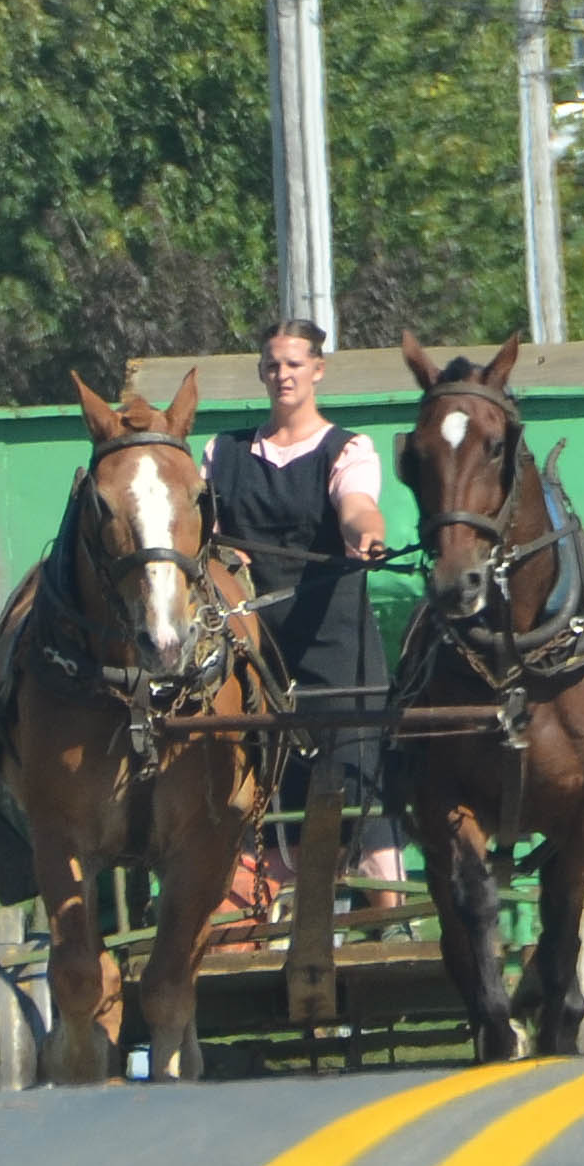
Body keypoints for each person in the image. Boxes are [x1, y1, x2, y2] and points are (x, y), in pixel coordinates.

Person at [203, 316, 407, 896]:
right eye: (272, 363)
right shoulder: (222, 453)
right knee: (249, 801)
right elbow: (200, 534)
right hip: (249, 660)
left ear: (317, 370)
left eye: (294, 363)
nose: (282, 374)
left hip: (337, 662)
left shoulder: (347, 449)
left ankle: (389, 928)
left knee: (360, 805)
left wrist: (366, 533)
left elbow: (358, 505)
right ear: (261, 372)